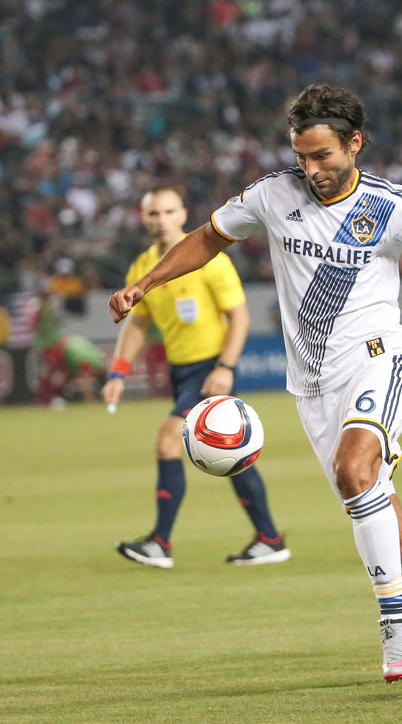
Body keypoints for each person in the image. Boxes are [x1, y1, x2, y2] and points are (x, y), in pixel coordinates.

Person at [108, 84, 402, 682]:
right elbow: (204, 238)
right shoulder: (274, 194)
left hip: (379, 357)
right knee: (390, 535)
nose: (311, 168)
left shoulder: (394, 205)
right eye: (302, 155)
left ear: (354, 144)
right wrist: (146, 285)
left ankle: (395, 634)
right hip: (312, 385)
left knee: (356, 471)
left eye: (322, 155)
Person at [103, 186, 289, 570]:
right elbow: (138, 323)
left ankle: (160, 543)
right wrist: (119, 372)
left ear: (182, 213)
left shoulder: (209, 260)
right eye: (153, 213)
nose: (161, 220)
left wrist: (225, 368)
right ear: (144, 217)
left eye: (168, 212)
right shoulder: (142, 269)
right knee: (231, 455)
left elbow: (240, 318)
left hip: (209, 371)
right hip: (181, 371)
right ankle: (270, 538)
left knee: (168, 440)